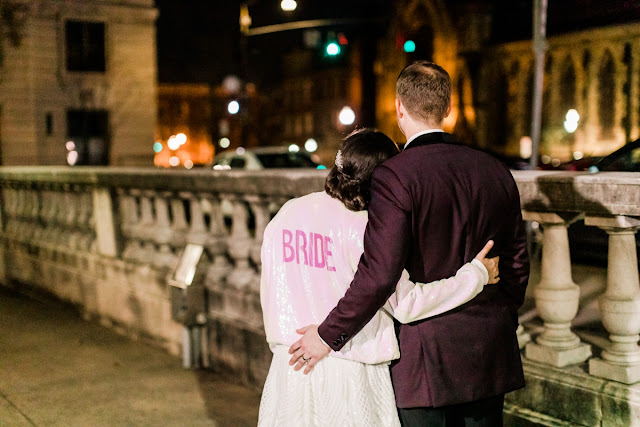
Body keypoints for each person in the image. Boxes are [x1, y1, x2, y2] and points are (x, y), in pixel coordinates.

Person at [289, 61, 530, 426]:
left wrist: (327, 335)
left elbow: (379, 273)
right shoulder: (495, 169)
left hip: (425, 359)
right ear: (447, 108)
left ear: (399, 107)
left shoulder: (394, 175)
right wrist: (499, 320)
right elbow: (516, 262)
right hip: (490, 349)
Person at [259, 128, 500, 426]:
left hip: (290, 368)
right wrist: (475, 276)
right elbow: (406, 303)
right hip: (352, 372)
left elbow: (271, 294)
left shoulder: (286, 214)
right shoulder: (369, 229)